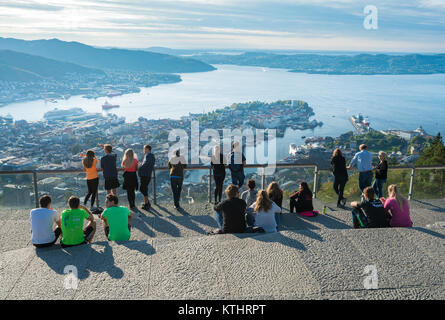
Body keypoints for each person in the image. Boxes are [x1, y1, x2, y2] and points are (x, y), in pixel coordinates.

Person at [138, 144, 155, 210]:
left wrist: (140, 167)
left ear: (148, 149)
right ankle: (147, 203)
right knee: (143, 188)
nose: (143, 150)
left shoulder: (149, 155)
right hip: (146, 174)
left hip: (145, 174)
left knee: (143, 188)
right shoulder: (148, 155)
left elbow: (146, 164)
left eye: (144, 149)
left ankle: (147, 204)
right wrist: (142, 164)